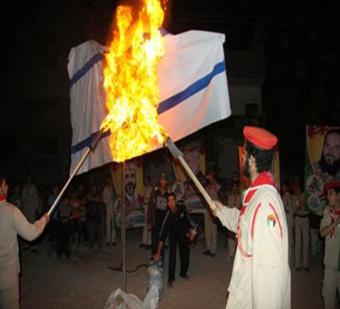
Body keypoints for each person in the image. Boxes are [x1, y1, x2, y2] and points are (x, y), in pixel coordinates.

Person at [211, 126, 290, 308]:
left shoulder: (265, 205)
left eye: (244, 154)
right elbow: (245, 226)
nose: (242, 159)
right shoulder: (258, 196)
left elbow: (268, 273)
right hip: (245, 294)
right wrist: (221, 210)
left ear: (252, 161)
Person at [0, 173, 49, 309]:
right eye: (4, 184)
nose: (7, 187)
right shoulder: (10, 211)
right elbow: (31, 233)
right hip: (6, 277)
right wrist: (44, 220)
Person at [154, 192, 195, 288]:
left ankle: (183, 273)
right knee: (172, 255)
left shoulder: (182, 208)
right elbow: (162, 236)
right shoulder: (168, 217)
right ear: (167, 203)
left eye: (173, 200)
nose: (171, 203)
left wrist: (192, 231)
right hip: (173, 235)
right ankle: (170, 279)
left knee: (185, 253)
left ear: (175, 200)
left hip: (183, 233)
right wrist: (158, 253)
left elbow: (188, 221)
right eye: (169, 201)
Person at [320, 182, 340, 309]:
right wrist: (334, 223)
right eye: (328, 194)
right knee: (328, 298)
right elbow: (322, 233)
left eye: (331, 194)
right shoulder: (327, 212)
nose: (328, 197)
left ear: (339, 195)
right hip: (331, 263)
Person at [147, 172, 169, 257]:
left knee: (161, 240)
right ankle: (153, 258)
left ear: (166, 181)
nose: (162, 181)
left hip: (164, 221)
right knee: (154, 240)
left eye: (164, 179)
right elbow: (150, 207)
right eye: (161, 179)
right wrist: (149, 221)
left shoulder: (168, 194)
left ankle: (160, 260)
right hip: (155, 220)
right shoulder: (155, 193)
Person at [293, 184, 310, 271]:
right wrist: (298, 204)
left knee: (306, 242)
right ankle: (297, 265)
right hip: (298, 218)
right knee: (298, 242)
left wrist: (304, 201)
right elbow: (294, 210)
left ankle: (306, 264)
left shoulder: (306, 196)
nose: (297, 191)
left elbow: (310, 207)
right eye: (296, 190)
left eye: (298, 189)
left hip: (305, 218)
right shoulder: (294, 197)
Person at [202, 171, 220, 258]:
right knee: (207, 230)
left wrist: (212, 180)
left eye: (209, 176)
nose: (208, 178)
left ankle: (213, 250)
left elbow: (218, 188)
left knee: (213, 230)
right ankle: (208, 248)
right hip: (207, 209)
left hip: (214, 210)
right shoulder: (207, 187)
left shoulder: (216, 185)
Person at [226, 181, 241, 260]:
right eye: (233, 187)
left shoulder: (240, 196)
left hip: (238, 217)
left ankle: (237, 254)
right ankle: (231, 254)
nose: (234, 188)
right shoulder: (230, 196)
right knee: (230, 236)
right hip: (231, 217)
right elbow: (228, 207)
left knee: (237, 237)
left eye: (236, 187)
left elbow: (240, 207)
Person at [281, 182, 294, 264]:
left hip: (288, 220)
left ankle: (288, 259)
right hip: (283, 220)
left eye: (285, 186)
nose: (283, 188)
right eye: (282, 187)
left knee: (288, 239)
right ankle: (283, 258)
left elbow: (287, 208)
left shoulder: (289, 196)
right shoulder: (281, 196)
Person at [103, 175, 116, 246]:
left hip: (114, 208)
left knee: (114, 224)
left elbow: (117, 197)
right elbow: (104, 199)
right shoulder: (105, 189)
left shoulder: (114, 188)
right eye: (108, 180)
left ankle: (113, 240)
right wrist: (109, 200)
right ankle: (108, 240)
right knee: (108, 224)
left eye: (111, 180)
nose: (110, 181)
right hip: (108, 208)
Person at [141, 175, 152, 248]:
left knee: (149, 224)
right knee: (144, 224)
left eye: (147, 180)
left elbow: (151, 200)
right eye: (145, 180)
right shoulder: (143, 188)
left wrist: (147, 203)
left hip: (149, 207)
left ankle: (149, 242)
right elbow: (141, 198)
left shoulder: (151, 189)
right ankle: (144, 241)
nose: (146, 181)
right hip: (144, 207)